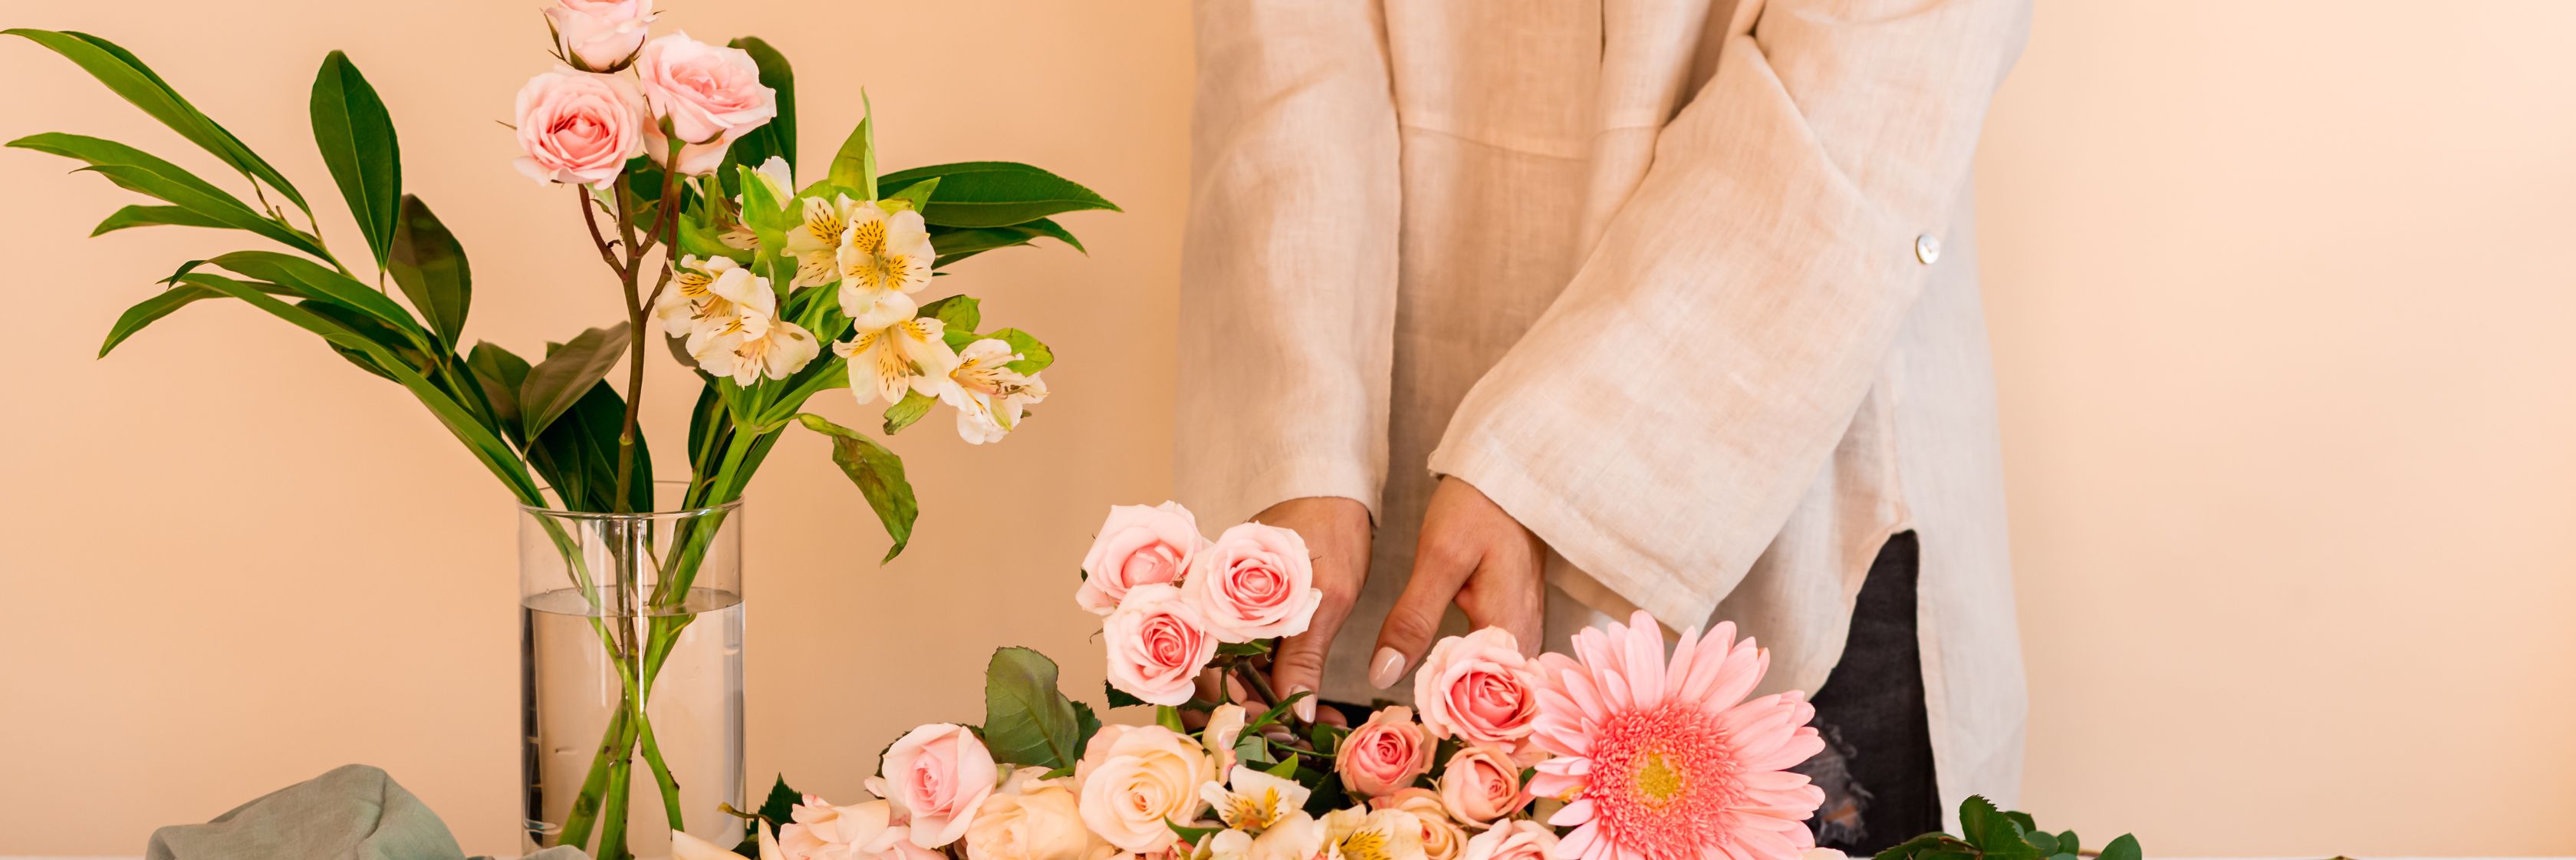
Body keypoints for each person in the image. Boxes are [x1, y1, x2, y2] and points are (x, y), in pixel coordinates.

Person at [1173, 0, 2031, 848]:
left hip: (1796, 473)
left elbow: (1869, 89)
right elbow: (1285, 50)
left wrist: (1544, 467)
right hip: (1364, 542)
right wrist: (1304, 447)